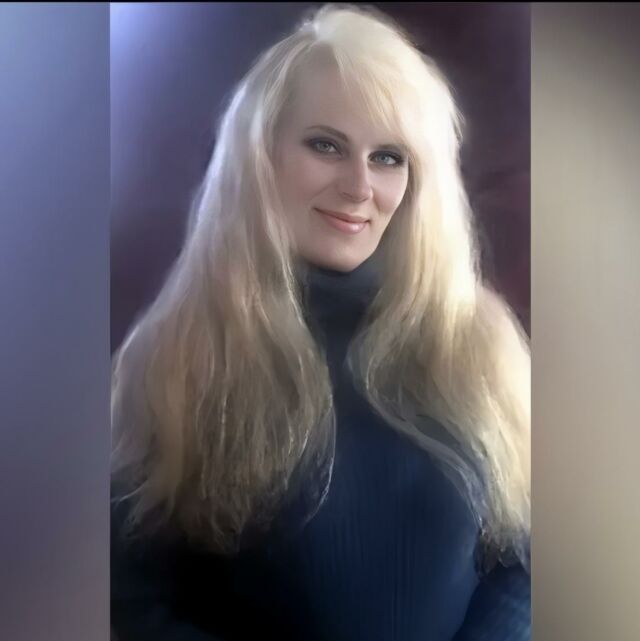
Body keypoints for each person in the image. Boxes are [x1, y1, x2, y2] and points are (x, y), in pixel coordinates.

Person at [110, 4, 531, 640]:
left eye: (388, 156)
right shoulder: (176, 356)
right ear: (261, 157)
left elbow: (526, 559)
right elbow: (132, 598)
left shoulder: (481, 345)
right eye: (326, 145)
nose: (360, 186)